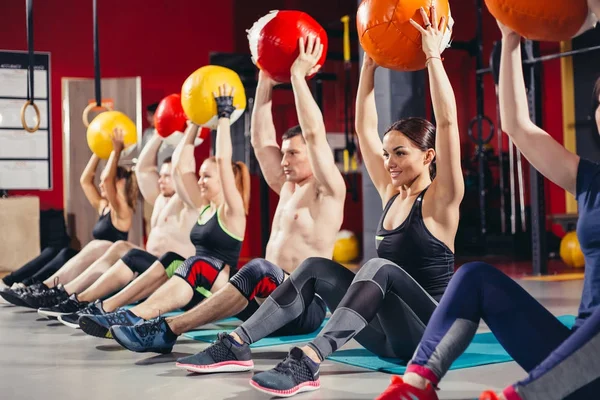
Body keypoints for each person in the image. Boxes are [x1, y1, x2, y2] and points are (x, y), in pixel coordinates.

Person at [178, 16, 464, 397]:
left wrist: (433, 58)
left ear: (429, 156)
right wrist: (369, 64)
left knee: (378, 266)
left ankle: (310, 360)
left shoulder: (443, 200)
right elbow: (365, 129)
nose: (390, 162)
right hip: (388, 339)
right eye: (386, 154)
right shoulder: (391, 193)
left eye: (400, 153)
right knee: (314, 267)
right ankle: (236, 342)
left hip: (429, 335)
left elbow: (446, 123)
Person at [375, 18, 600, 400]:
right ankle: (415, 388)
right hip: (578, 359)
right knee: (475, 277)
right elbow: (517, 125)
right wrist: (511, 35)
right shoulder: (589, 180)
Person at [107, 46, 347, 355]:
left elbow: (314, 134)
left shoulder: (326, 190)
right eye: (283, 152)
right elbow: (261, 140)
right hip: (268, 299)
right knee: (200, 265)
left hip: (303, 306)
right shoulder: (287, 186)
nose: (283, 159)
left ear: (313, 157)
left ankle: (167, 329)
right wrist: (264, 78)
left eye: (292, 153)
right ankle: (139, 314)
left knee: (259, 268)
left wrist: (297, 77)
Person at [79, 84, 252, 341]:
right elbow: (182, 163)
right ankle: (111, 309)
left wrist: (224, 116)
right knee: (174, 257)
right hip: (194, 284)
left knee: (197, 263)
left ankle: (134, 315)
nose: (200, 180)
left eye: (207, 176)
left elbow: (224, 162)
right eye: (200, 175)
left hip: (219, 290)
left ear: (225, 180)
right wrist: (193, 122)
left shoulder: (233, 210)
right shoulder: (204, 206)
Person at [51, 131, 203, 324]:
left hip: (173, 276)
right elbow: (143, 168)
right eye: (161, 175)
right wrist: (159, 132)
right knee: (116, 246)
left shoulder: (188, 204)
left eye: (167, 176)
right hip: (150, 271)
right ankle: (66, 294)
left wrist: (190, 132)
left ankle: (85, 301)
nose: (160, 179)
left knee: (130, 254)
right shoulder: (159, 200)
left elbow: (181, 169)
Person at [1, 131, 139, 310]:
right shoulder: (104, 206)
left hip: (106, 265)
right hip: (91, 259)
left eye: (108, 181)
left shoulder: (123, 211)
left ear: (120, 183)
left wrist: (116, 151)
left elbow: (106, 178)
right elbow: (85, 181)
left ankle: (32, 287)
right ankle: (18, 284)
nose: (101, 184)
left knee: (66, 253)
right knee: (59, 250)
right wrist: (98, 150)